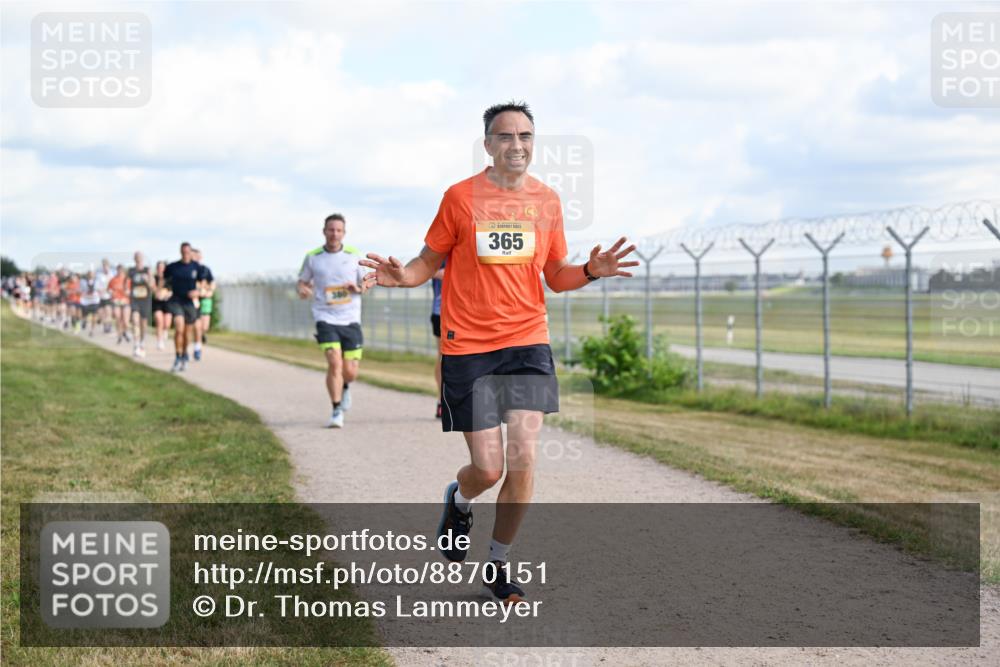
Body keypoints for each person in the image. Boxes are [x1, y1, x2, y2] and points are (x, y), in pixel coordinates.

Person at [361, 101, 637, 603]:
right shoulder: (460, 198)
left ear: (534, 142)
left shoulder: (547, 201)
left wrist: (591, 270)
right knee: (487, 469)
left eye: (526, 136)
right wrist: (401, 277)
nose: (517, 145)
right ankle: (459, 498)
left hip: (528, 341)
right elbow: (427, 261)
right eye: (505, 136)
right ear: (487, 144)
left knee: (524, 459)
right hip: (468, 346)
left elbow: (555, 276)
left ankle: (497, 563)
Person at [297, 213, 374, 428]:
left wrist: (357, 288)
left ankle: (346, 387)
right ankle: (336, 409)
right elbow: (302, 282)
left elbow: (367, 285)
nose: (334, 234)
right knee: (334, 362)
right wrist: (303, 289)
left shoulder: (353, 255)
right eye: (331, 230)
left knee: (350, 371)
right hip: (324, 316)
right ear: (324, 231)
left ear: (344, 233)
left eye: (338, 230)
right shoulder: (313, 256)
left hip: (350, 319)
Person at [164, 243, 202, 372]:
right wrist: (162, 289)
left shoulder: (197, 267)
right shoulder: (173, 267)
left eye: (188, 252)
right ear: (180, 252)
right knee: (179, 328)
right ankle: (178, 356)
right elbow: (163, 282)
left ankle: (185, 354)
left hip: (189, 303)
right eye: (183, 252)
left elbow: (206, 284)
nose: (185, 254)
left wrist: (198, 292)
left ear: (190, 252)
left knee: (187, 333)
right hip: (176, 301)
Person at [128, 252, 155, 357]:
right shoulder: (131, 271)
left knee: (143, 323)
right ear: (134, 259)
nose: (138, 259)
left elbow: (152, 286)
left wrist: (147, 279)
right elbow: (126, 284)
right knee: (135, 321)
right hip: (135, 299)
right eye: (136, 257)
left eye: (140, 257)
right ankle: (136, 344)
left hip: (145, 300)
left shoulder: (147, 270)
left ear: (143, 259)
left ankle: (142, 341)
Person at [191, 248, 215, 360]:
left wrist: (209, 291)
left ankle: (201, 335)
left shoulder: (205, 270)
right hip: (195, 300)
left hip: (205, 299)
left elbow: (212, 283)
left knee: (205, 326)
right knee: (197, 324)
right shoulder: (190, 270)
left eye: (198, 256)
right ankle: (197, 347)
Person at [430, 260, 446, 418]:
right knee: (444, 356)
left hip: (470, 311)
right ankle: (441, 401)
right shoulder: (438, 245)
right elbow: (423, 268)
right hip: (441, 311)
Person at [107, 264, 132, 344]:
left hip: (126, 301)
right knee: (118, 318)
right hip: (116, 301)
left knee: (125, 320)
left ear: (123, 271)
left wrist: (129, 292)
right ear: (117, 270)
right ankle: (119, 335)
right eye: (118, 270)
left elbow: (132, 290)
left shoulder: (128, 280)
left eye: (121, 270)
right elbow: (109, 289)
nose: (120, 272)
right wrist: (111, 293)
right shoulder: (113, 280)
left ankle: (125, 332)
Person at [152, 260, 173, 350]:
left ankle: (165, 330)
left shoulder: (170, 278)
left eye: (162, 267)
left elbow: (173, 290)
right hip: (157, 302)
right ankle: (159, 341)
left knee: (167, 323)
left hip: (168, 302)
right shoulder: (154, 278)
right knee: (159, 320)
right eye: (159, 267)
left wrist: (168, 294)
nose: (161, 269)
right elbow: (153, 289)